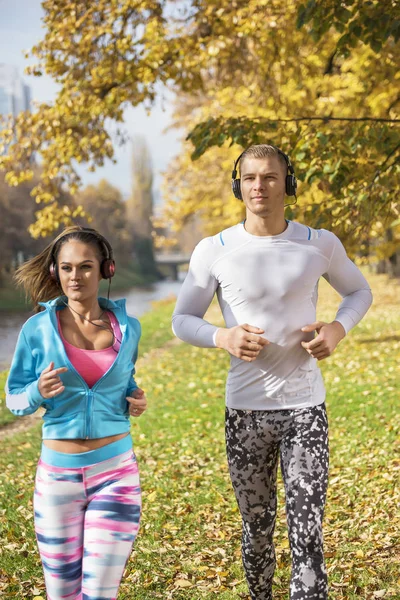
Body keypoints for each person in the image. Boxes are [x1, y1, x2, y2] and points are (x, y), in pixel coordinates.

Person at [172, 145, 373, 600]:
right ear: (237, 184)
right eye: (249, 178)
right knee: (257, 531)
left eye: (269, 177)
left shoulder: (319, 243)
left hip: (305, 410)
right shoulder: (214, 249)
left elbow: (359, 290)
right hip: (245, 413)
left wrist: (338, 329)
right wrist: (222, 337)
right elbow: (182, 319)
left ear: (289, 183)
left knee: (307, 534)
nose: (258, 186)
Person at [6, 226, 147, 600]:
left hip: (115, 472)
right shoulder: (36, 330)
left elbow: (125, 381)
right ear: (55, 272)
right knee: (63, 595)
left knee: (100, 594)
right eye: (66, 268)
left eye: (86, 266)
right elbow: (14, 399)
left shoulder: (129, 329)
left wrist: (134, 397)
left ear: (107, 270)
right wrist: (37, 390)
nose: (75, 276)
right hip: (58, 479)